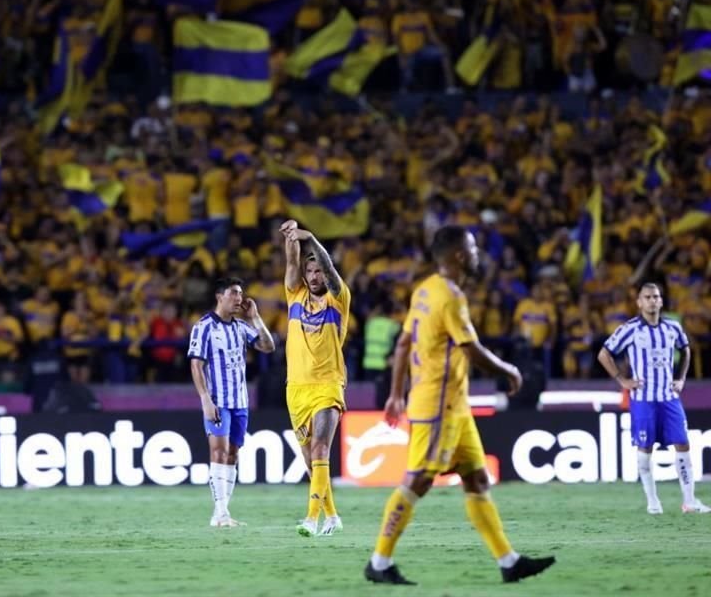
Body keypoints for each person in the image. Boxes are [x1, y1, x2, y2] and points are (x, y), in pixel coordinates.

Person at [365, 225, 555, 585]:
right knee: (418, 480)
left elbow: (405, 342)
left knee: (477, 478)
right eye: (471, 247)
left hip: (454, 405)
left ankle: (509, 561)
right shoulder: (450, 296)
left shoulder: (425, 290)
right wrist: (509, 370)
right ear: (457, 255)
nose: (476, 253)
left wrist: (395, 393)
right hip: (437, 404)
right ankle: (379, 562)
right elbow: (469, 348)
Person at [597, 283, 711, 515]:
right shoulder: (630, 329)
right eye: (647, 297)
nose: (652, 300)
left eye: (656, 297)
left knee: (683, 444)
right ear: (639, 302)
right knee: (644, 448)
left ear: (661, 301)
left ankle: (689, 501)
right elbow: (604, 353)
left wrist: (681, 379)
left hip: (669, 397)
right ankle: (653, 501)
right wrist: (623, 380)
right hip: (643, 399)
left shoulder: (672, 327)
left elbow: (686, 349)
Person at [279, 219, 350, 537]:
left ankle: (310, 519)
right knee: (311, 462)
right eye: (311, 272)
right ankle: (332, 516)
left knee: (321, 449)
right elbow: (291, 262)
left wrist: (311, 237)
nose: (315, 276)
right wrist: (290, 237)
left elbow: (333, 275)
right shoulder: (294, 296)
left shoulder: (338, 298)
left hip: (327, 384)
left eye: (318, 270)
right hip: (296, 388)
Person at [188, 276, 275, 528]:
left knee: (233, 454)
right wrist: (205, 399)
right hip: (218, 401)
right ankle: (220, 513)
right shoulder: (204, 326)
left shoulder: (240, 326)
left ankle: (223, 512)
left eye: (241, 293)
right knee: (219, 451)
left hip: (240, 401)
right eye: (234, 293)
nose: (239, 298)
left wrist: (255, 318)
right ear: (220, 296)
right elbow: (196, 364)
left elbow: (268, 346)